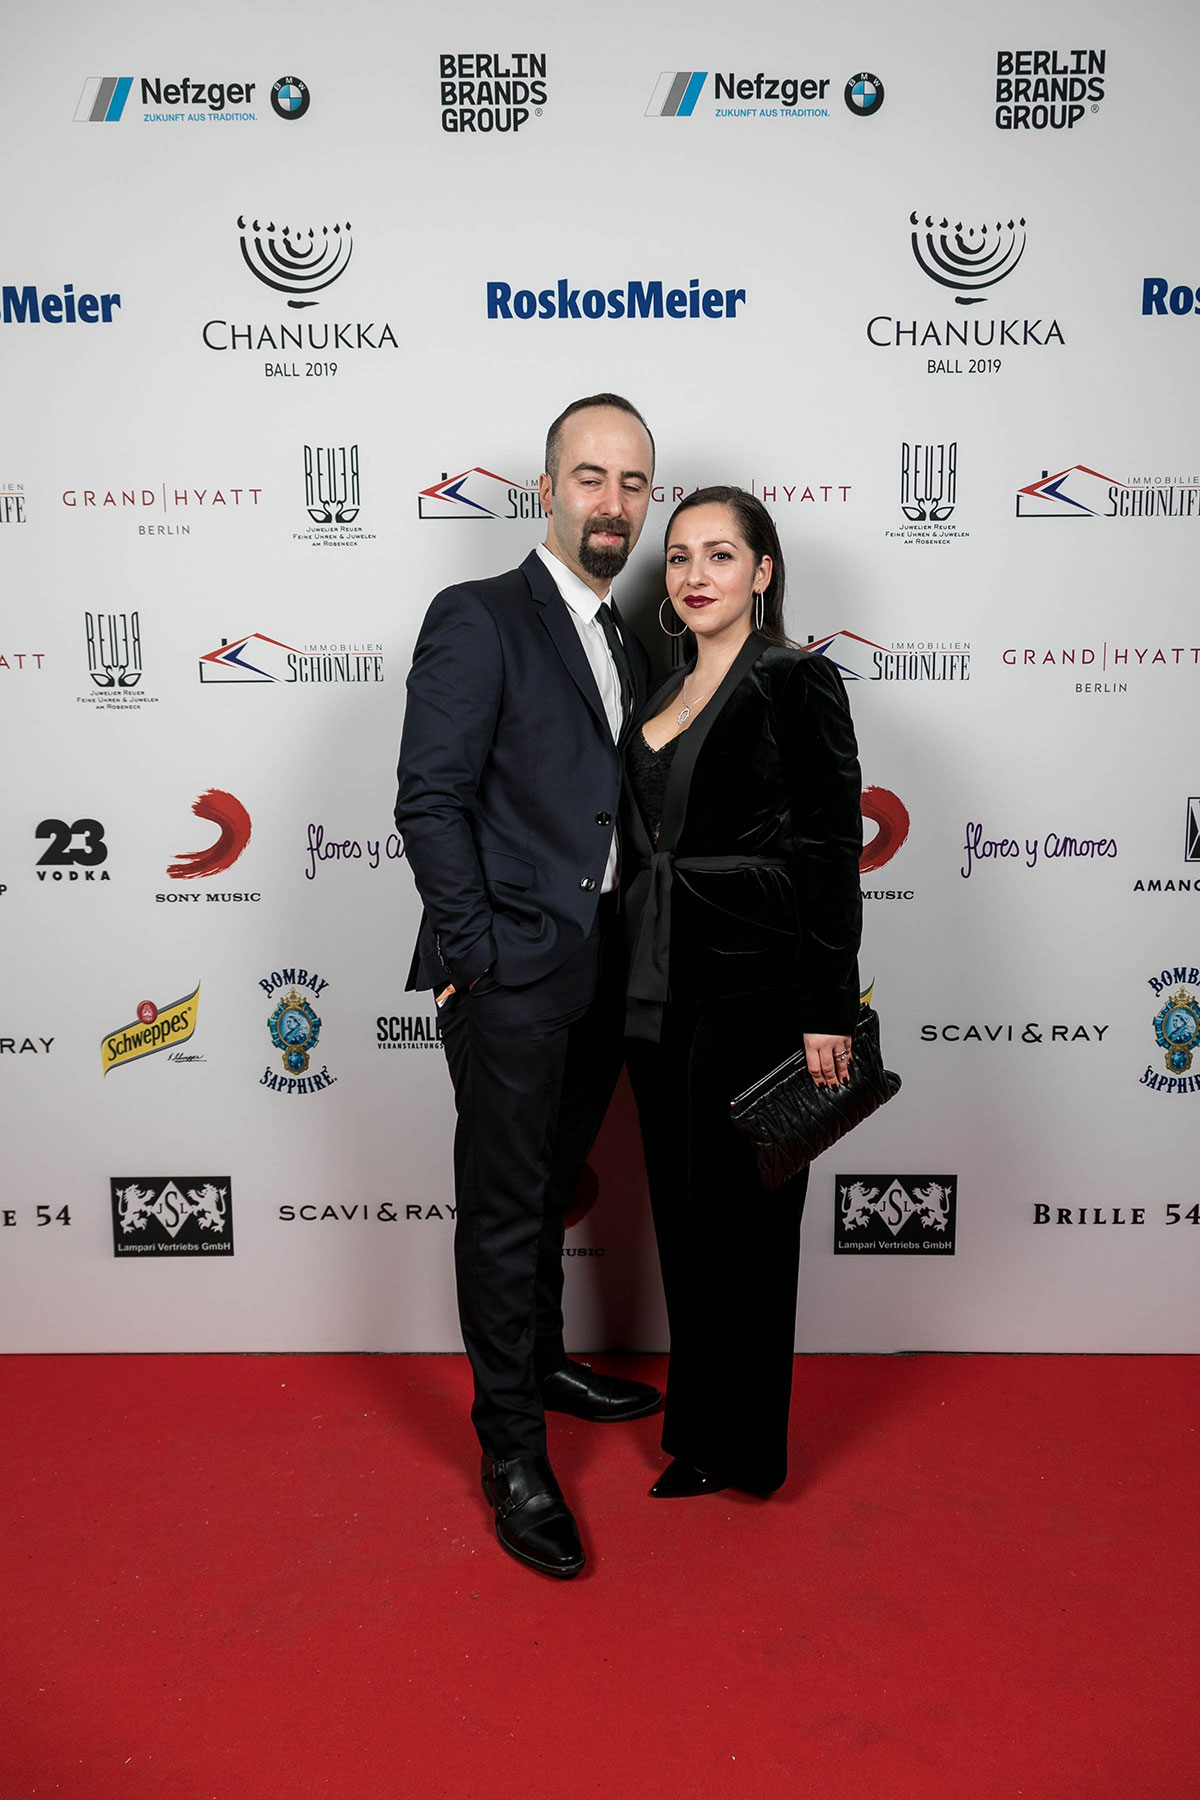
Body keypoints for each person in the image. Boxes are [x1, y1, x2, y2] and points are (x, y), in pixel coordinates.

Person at [395, 394, 664, 1579]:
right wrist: (476, 959)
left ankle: (544, 1362)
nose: (613, 503)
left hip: (604, 969)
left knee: (552, 1186)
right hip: (509, 973)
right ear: (548, 490)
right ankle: (511, 1451)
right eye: (591, 478)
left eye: (633, 483)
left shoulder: (630, 640)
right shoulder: (480, 616)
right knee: (505, 1210)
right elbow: (429, 799)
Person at [622, 485, 863, 1499]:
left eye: (720, 555)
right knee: (685, 1221)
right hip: (656, 988)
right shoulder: (658, 691)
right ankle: (699, 1434)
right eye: (680, 556)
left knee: (750, 1231)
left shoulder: (794, 680)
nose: (695, 575)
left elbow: (830, 850)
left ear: (761, 572)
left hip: (759, 992)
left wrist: (827, 1009)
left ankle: (749, 1449)